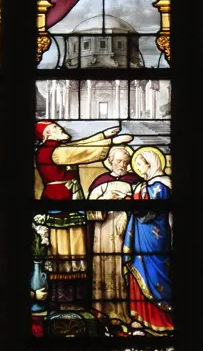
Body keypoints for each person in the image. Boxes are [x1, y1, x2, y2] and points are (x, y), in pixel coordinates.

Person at [35, 120, 132, 305]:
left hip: (70, 200)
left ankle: (78, 298)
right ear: (46, 135)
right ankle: (64, 300)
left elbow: (78, 147)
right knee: (63, 250)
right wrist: (110, 141)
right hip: (60, 203)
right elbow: (80, 152)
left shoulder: (59, 148)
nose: (59, 128)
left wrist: (104, 136)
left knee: (76, 249)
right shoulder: (50, 151)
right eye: (54, 128)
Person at [123, 147, 173, 333]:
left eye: (139, 163)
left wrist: (133, 204)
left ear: (150, 164)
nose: (137, 167)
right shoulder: (145, 185)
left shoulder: (161, 185)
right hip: (140, 236)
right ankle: (141, 316)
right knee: (139, 268)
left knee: (156, 271)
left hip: (155, 236)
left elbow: (150, 212)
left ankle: (163, 318)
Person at [87, 146, 139, 324]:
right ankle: (102, 311)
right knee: (103, 267)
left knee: (122, 268)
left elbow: (143, 208)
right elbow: (89, 213)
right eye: (118, 161)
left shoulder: (135, 181)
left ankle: (123, 311)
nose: (122, 165)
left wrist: (127, 210)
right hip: (102, 233)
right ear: (110, 162)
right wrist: (104, 200)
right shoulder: (100, 182)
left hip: (127, 234)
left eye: (125, 162)